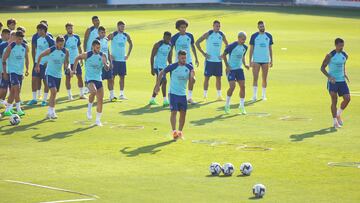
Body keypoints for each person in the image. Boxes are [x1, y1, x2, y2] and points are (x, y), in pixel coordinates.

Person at [154, 50, 195, 140]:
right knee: (174, 112)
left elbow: (192, 80)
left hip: (182, 94)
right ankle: (174, 132)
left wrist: (192, 78)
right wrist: (157, 86)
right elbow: (161, 73)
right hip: (173, 93)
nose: (184, 60)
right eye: (182, 58)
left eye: (185, 58)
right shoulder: (173, 66)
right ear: (178, 57)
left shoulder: (189, 67)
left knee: (183, 113)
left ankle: (180, 132)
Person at [73, 39, 109, 126]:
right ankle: (89, 109)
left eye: (99, 47)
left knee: (100, 100)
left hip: (98, 79)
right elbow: (77, 58)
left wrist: (105, 64)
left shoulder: (103, 55)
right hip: (89, 79)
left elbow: (107, 68)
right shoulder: (87, 54)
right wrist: (74, 70)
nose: (98, 49)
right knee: (93, 91)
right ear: (93, 47)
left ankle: (97, 120)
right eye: (97, 47)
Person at [36, 36, 69, 119]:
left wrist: (68, 68)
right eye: (60, 44)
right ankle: (50, 112)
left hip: (58, 75)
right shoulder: (51, 49)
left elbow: (66, 63)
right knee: (53, 91)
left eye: (63, 44)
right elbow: (40, 55)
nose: (61, 46)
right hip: (49, 74)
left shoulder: (65, 51)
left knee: (54, 95)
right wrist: (37, 66)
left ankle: (51, 112)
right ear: (56, 43)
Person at [320, 38, 350, 128]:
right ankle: (335, 121)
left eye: (343, 46)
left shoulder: (345, 55)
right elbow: (322, 68)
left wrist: (344, 73)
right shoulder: (330, 56)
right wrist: (329, 77)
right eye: (340, 46)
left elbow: (343, 64)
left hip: (342, 81)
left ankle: (338, 114)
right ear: (336, 45)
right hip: (332, 82)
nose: (342, 48)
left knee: (347, 98)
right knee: (334, 100)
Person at [195, 20, 228, 101]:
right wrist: (203, 53)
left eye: (219, 26)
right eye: (216, 26)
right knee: (207, 78)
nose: (218, 28)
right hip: (209, 61)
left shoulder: (221, 34)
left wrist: (223, 54)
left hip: (218, 61)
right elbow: (197, 42)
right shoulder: (208, 34)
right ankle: (205, 95)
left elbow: (227, 45)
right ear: (213, 26)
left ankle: (219, 96)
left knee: (218, 78)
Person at [171, 19, 198, 104]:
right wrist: (170, 60)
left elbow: (193, 47)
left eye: (184, 27)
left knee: (192, 79)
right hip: (178, 63)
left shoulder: (190, 36)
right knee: (178, 80)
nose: (183, 29)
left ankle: (189, 97)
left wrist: (196, 58)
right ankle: (173, 97)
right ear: (178, 28)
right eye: (181, 27)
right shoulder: (175, 37)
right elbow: (170, 49)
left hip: (188, 61)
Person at [2, 31, 29, 116]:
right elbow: (3, 60)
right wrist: (5, 72)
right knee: (16, 89)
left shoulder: (25, 47)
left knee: (14, 92)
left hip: (20, 72)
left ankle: (7, 110)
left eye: (21, 39)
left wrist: (27, 69)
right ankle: (18, 109)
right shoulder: (10, 46)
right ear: (15, 38)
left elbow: (27, 59)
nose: (19, 41)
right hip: (12, 72)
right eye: (18, 39)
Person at [222, 32, 250, 114]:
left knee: (243, 87)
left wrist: (245, 65)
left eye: (245, 39)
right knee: (232, 86)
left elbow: (243, 56)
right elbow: (223, 55)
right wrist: (227, 66)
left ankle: (241, 106)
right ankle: (227, 105)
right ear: (238, 38)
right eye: (242, 39)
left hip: (239, 69)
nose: (244, 41)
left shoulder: (245, 47)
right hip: (231, 70)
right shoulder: (232, 46)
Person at [28, 23, 54, 106]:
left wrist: (49, 62)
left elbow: (54, 51)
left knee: (46, 81)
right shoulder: (36, 38)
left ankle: (44, 100)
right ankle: (34, 99)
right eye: (38, 30)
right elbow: (35, 50)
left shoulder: (50, 39)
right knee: (34, 79)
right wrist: (35, 62)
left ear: (44, 30)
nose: (38, 31)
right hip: (37, 63)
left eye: (40, 30)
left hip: (45, 64)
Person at [107, 21, 133, 100]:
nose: (123, 28)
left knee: (122, 77)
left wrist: (128, 54)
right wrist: (109, 55)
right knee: (112, 77)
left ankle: (121, 94)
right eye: (121, 26)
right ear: (118, 26)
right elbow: (104, 42)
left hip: (122, 60)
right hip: (114, 60)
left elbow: (131, 44)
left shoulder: (126, 35)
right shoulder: (113, 34)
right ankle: (112, 94)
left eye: (123, 26)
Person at [249, 21, 273, 101]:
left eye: (263, 26)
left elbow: (270, 48)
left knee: (264, 78)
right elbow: (251, 49)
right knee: (255, 78)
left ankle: (263, 95)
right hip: (256, 60)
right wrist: (250, 60)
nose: (262, 28)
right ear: (258, 27)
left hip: (265, 60)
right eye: (260, 26)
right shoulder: (254, 36)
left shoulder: (269, 36)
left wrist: (271, 60)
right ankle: (254, 96)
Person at [149, 31, 172, 107]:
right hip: (157, 66)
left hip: (164, 66)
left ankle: (152, 99)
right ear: (163, 37)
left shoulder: (170, 45)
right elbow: (152, 56)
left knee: (160, 83)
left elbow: (169, 57)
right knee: (164, 81)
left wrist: (171, 66)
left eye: (169, 38)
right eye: (166, 38)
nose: (167, 39)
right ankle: (165, 100)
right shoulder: (158, 45)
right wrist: (152, 68)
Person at [64, 22, 86, 100]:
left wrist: (81, 58)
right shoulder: (64, 38)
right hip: (68, 62)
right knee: (68, 78)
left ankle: (81, 94)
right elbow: (63, 50)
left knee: (79, 77)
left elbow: (79, 48)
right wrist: (65, 63)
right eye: (68, 28)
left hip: (77, 61)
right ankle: (70, 95)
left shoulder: (77, 37)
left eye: (71, 28)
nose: (70, 29)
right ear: (66, 29)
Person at [97, 26, 115, 101]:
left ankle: (112, 96)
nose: (103, 34)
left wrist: (110, 62)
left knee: (110, 79)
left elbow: (107, 51)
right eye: (102, 32)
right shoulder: (96, 41)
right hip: (99, 64)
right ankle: (99, 97)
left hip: (107, 63)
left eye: (104, 32)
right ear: (98, 33)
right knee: (98, 81)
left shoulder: (106, 40)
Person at [0, 29, 11, 107]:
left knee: (5, 86)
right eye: (8, 34)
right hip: (2, 69)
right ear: (3, 35)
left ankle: (2, 101)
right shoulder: (3, 45)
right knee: (3, 87)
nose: (9, 36)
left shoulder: (7, 44)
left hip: (6, 69)